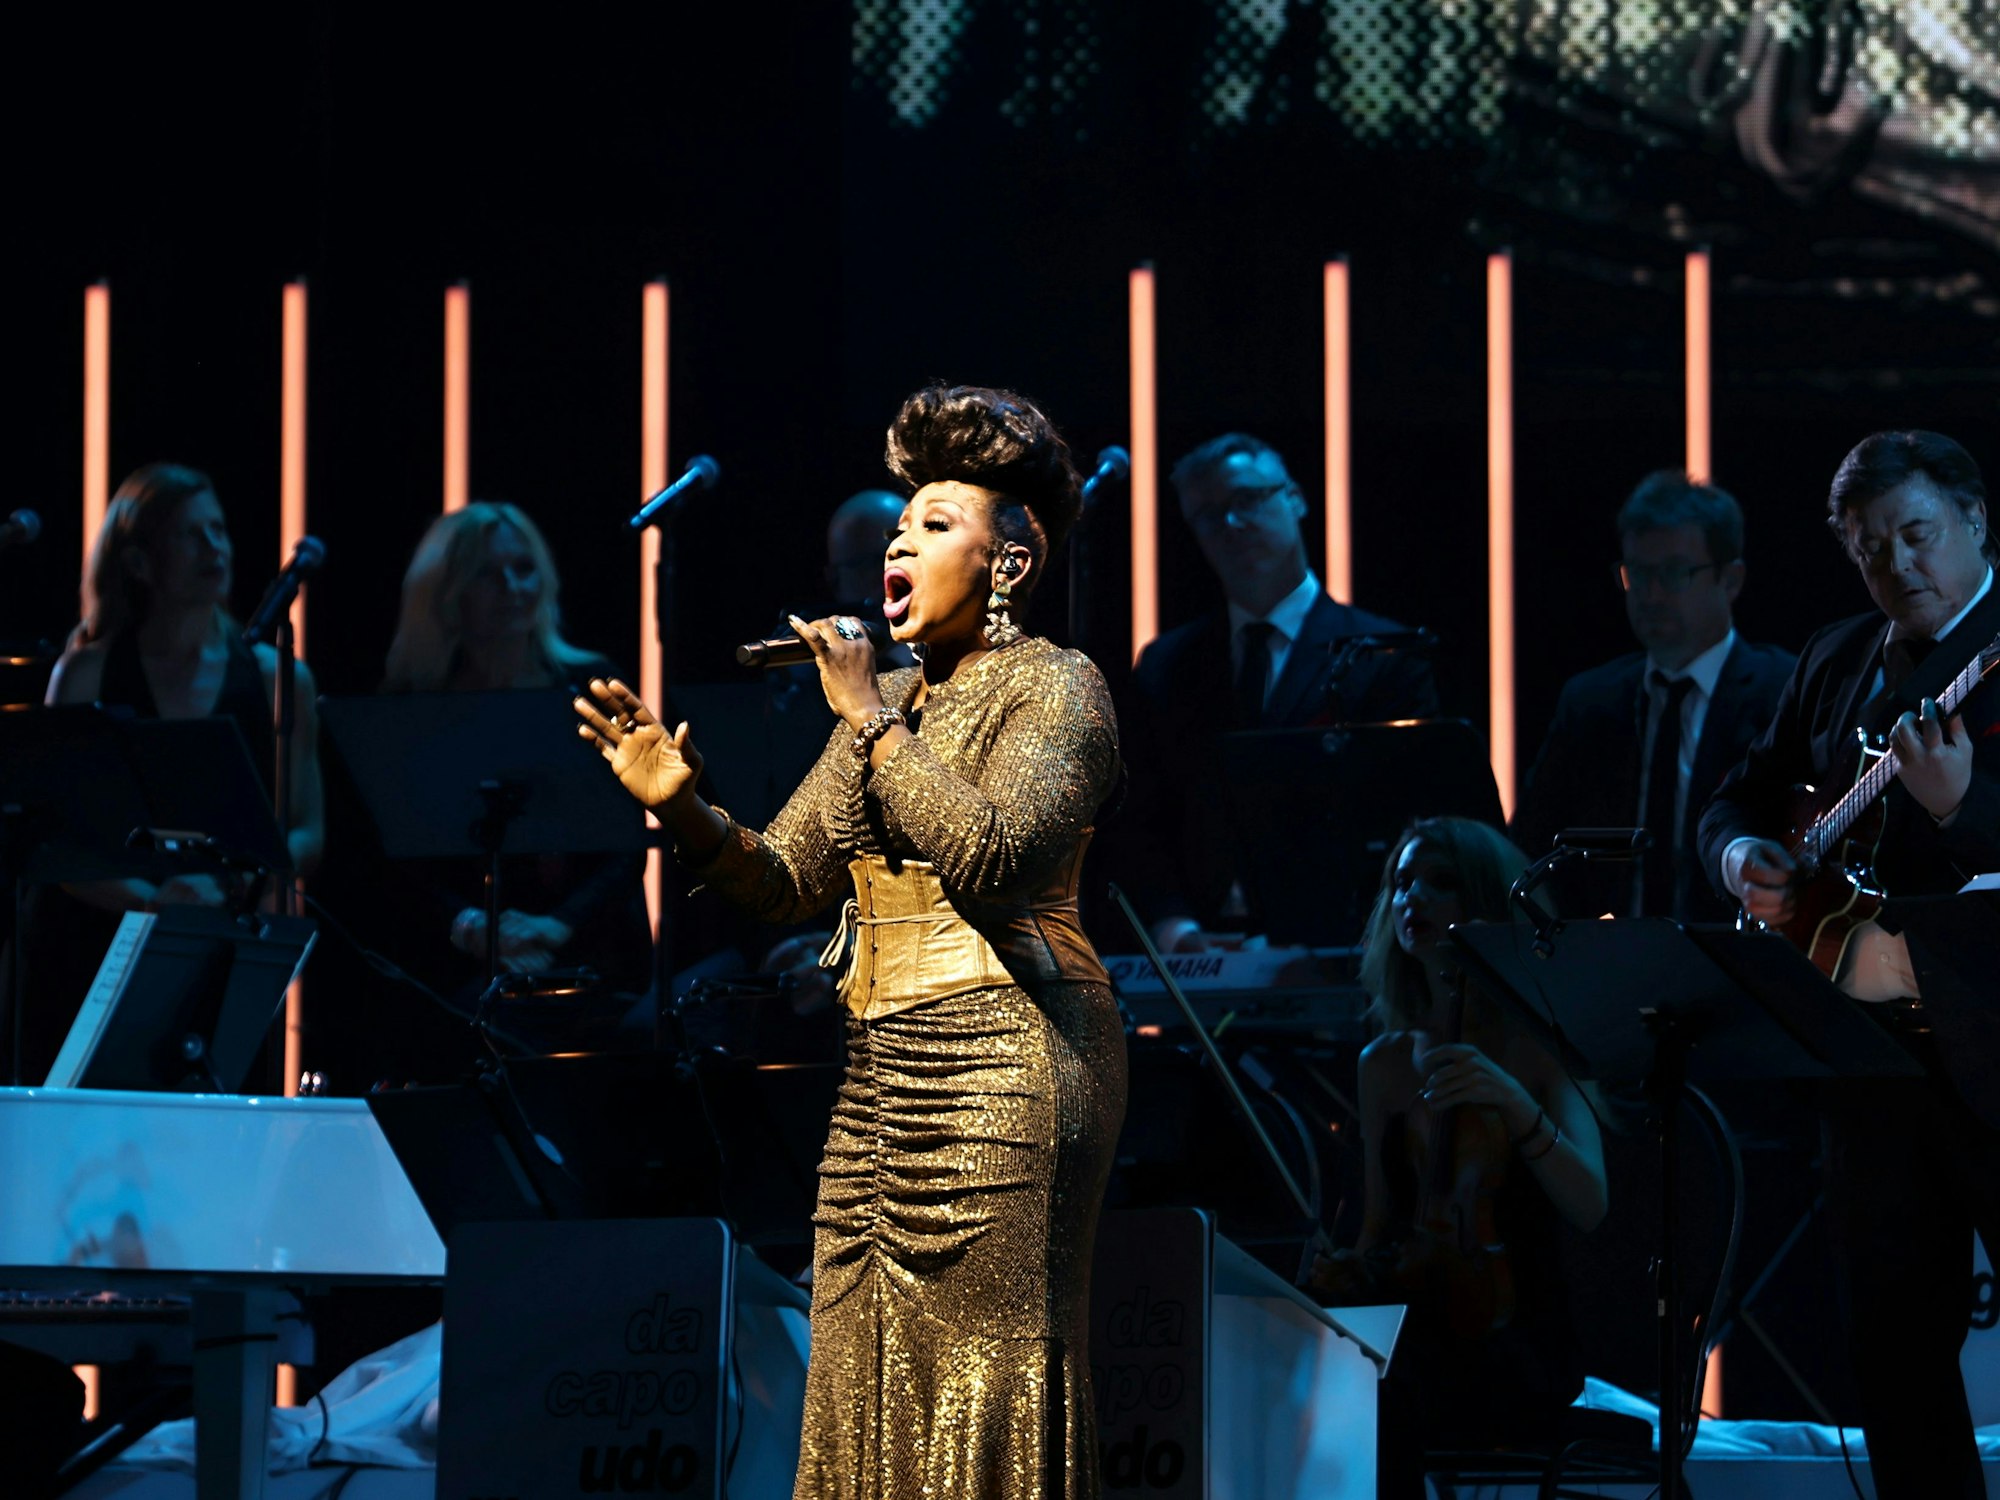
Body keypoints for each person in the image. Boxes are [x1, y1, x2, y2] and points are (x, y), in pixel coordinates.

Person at [576, 383, 1126, 1499]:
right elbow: (783, 881)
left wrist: (868, 717)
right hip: (879, 1079)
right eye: (897, 525)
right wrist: (683, 808)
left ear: (1009, 563)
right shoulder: (893, 705)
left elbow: (992, 856)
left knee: (985, 1379)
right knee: (856, 1380)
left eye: (933, 524)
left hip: (1009, 1067)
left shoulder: (1056, 687)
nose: (897, 543)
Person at [1698, 430, 2000, 1499]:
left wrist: (1961, 808)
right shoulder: (1836, 657)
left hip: (1992, 1043)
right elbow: (1735, 799)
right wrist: (1743, 859)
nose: (1898, 565)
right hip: (1863, 1061)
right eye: (1871, 550)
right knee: (1893, 1350)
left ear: (1973, 521)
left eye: (1917, 535)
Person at [1321, 816, 1606, 1499]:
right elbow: (1380, 1225)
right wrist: (1343, 1272)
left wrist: (1512, 1100)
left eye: (1439, 882)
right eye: (1401, 883)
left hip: (1515, 1337)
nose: (1412, 898)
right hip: (1418, 1320)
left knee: (1392, 1381)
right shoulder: (1383, 1063)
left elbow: (1591, 1202)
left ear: (1485, 902)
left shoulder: (1539, 1047)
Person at [10, 463, 325, 1082]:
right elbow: (55, 837)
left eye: (219, 531)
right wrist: (154, 901)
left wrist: (240, 886)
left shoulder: (277, 676)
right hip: (94, 952)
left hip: (224, 950)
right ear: (138, 562)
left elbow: (308, 828)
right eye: (190, 534)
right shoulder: (87, 672)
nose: (214, 548)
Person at [1118, 432, 1438, 952]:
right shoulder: (1166, 666)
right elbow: (1139, 821)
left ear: (1295, 498)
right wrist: (1174, 931)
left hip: (1342, 952)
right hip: (1198, 957)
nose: (1231, 523)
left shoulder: (1384, 656)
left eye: (1247, 498)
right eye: (1208, 515)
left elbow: (1407, 823)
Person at [375, 502, 650, 1028]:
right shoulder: (413, 704)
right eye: (487, 574)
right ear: (448, 592)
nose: (512, 588)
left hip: (588, 947)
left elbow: (628, 841)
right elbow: (397, 858)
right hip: (457, 955)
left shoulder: (594, 685)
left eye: (524, 569)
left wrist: (558, 925)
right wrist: (471, 925)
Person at [1512, 471, 1793, 920]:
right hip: (1607, 955)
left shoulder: (1783, 691)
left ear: (1731, 580)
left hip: (1744, 949)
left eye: (1674, 574)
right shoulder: (1590, 703)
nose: (1651, 595)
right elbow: (1527, 849)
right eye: (1638, 575)